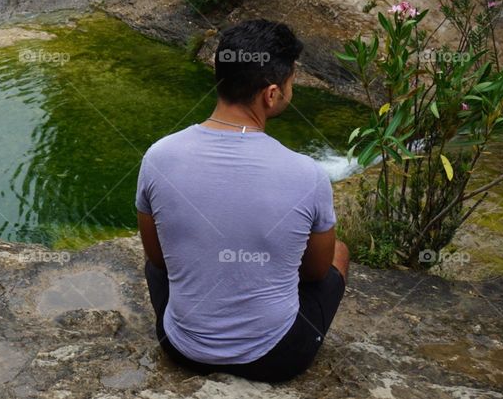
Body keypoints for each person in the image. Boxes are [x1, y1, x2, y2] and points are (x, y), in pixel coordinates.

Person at [136, 19, 349, 383]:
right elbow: (314, 274)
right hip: (275, 358)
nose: (290, 90)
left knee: (166, 260)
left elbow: (158, 261)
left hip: (180, 345)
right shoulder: (307, 174)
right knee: (339, 252)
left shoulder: (158, 157)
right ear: (271, 94)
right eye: (290, 83)